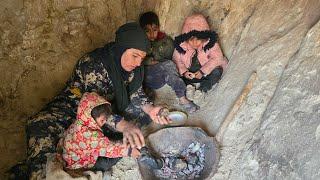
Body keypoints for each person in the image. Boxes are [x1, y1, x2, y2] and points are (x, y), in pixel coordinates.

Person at [25, 22, 171, 179]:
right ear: (121, 49)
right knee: (41, 128)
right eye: (135, 56)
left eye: (141, 58)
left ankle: (81, 160)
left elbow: (136, 92)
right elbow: (94, 110)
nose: (137, 63)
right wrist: (123, 125)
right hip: (72, 106)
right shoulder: (93, 66)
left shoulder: (132, 66)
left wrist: (150, 109)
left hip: (103, 111)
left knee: (133, 124)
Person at [60, 92, 140, 171]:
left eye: (105, 119)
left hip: (72, 151)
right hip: (78, 163)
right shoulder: (90, 137)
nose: (105, 121)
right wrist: (129, 151)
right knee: (105, 163)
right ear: (91, 119)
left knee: (105, 137)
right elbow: (109, 149)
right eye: (102, 120)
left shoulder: (81, 119)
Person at [139, 11, 199, 113]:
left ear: (158, 28)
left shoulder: (166, 41)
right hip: (148, 77)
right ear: (141, 31)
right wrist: (149, 61)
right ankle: (183, 99)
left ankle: (184, 92)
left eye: (154, 30)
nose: (152, 34)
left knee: (172, 65)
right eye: (147, 31)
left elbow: (175, 58)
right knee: (168, 65)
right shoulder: (139, 44)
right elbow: (137, 61)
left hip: (164, 74)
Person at [173, 14, 228, 92]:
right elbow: (176, 60)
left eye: (198, 39)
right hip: (189, 76)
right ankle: (188, 88)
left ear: (203, 37)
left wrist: (203, 71)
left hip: (205, 75)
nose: (194, 43)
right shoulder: (181, 46)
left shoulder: (210, 43)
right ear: (186, 38)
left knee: (217, 72)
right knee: (175, 75)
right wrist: (185, 72)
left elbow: (218, 58)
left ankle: (203, 89)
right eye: (191, 40)